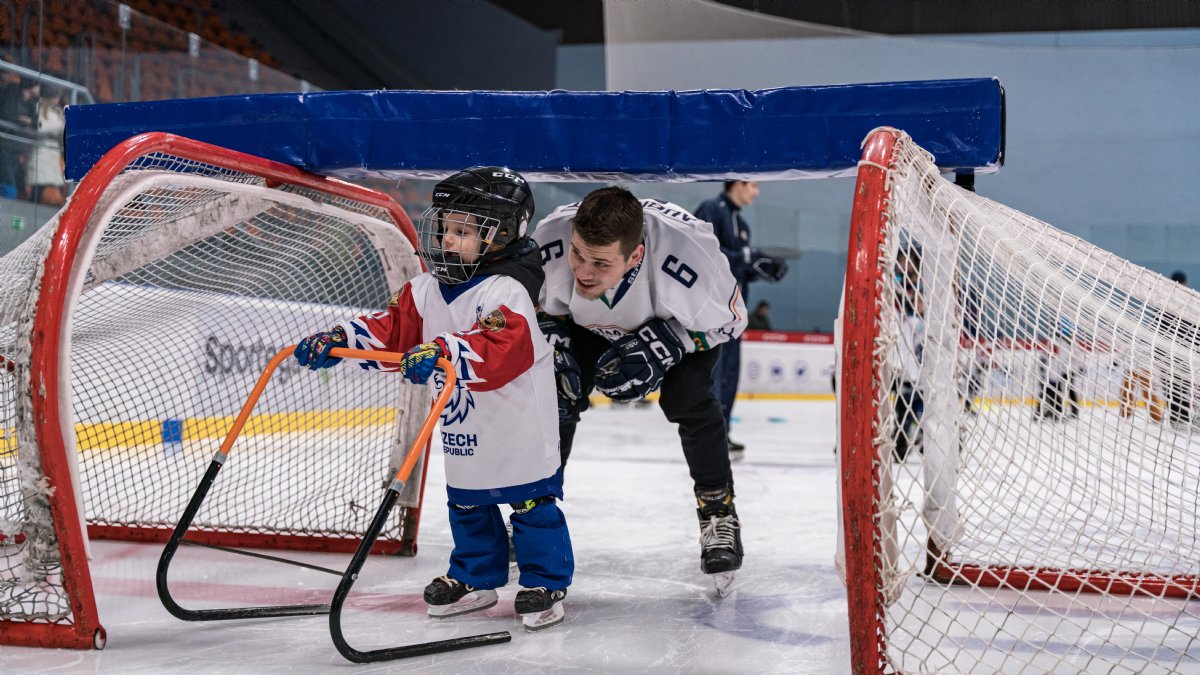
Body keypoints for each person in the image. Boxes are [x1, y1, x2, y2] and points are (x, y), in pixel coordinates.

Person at [292, 166, 573, 631]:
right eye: (447, 228)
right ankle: (475, 577)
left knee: (530, 505)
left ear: (500, 235)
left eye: (465, 232)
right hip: (464, 422)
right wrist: (340, 339)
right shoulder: (426, 288)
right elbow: (393, 331)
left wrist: (444, 351)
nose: (448, 240)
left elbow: (501, 349)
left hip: (519, 424)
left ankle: (545, 581)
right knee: (466, 502)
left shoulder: (507, 289)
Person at [534, 186, 747, 593]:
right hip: (585, 327)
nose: (582, 272)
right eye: (578, 254)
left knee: (689, 399)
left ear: (635, 255)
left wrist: (670, 341)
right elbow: (537, 305)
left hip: (675, 325)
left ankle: (718, 513)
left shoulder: (692, 256)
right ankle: (535, 515)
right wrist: (552, 334)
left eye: (600, 263)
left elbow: (732, 322)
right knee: (556, 393)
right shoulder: (552, 235)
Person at [693, 180, 787, 458]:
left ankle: (722, 432)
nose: (756, 192)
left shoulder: (742, 226)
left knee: (729, 374)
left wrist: (762, 268)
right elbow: (703, 252)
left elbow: (737, 268)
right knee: (714, 373)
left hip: (733, 314)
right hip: (710, 313)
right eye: (753, 186)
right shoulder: (712, 210)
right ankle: (706, 434)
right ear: (737, 184)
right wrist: (749, 257)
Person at [28, 85, 65, 205]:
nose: (57, 100)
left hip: (53, 151)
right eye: (55, 97)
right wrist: (60, 125)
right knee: (38, 183)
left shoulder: (59, 112)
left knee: (53, 182)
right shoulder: (39, 107)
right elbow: (41, 127)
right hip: (41, 148)